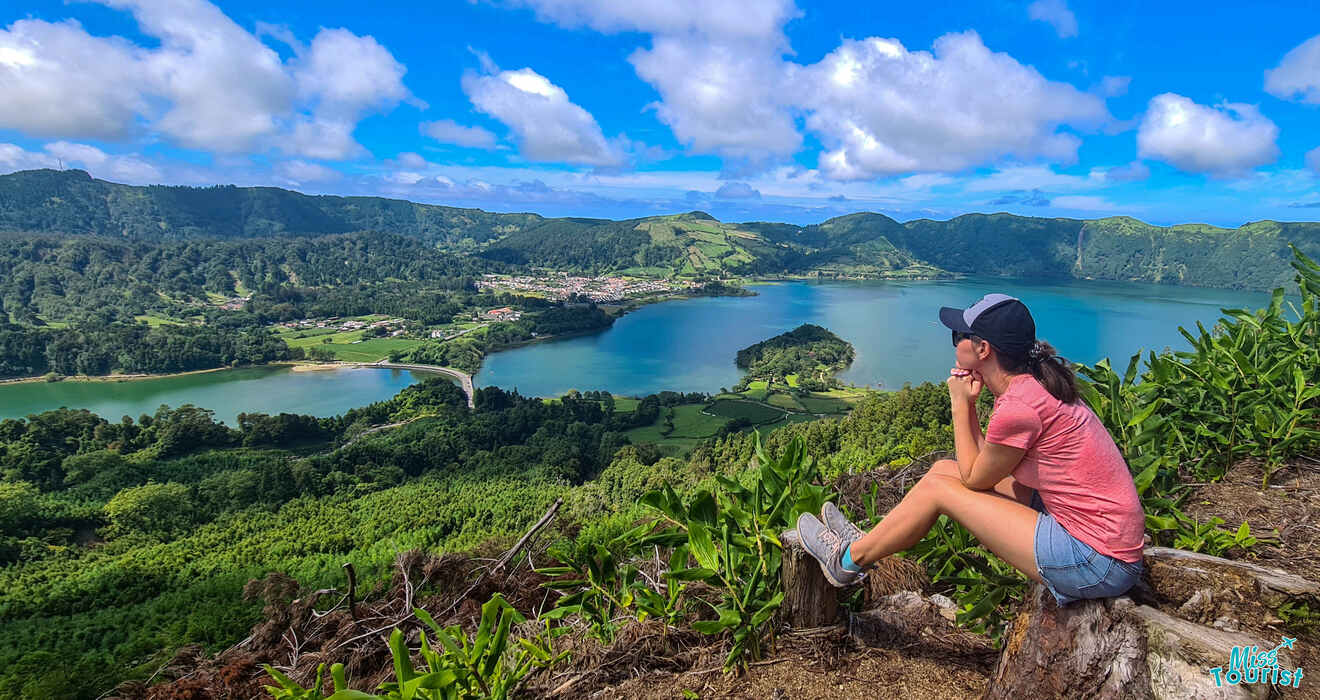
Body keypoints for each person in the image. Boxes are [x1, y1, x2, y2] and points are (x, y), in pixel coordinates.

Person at [798, 293, 1146, 607]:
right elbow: (983, 469)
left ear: (983, 349)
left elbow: (974, 478)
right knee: (940, 471)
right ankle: (869, 540)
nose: (954, 342)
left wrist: (960, 404)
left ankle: (846, 562)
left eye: (958, 336)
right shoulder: (1033, 385)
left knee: (940, 488)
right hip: (1088, 531)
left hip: (1097, 559)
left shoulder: (1020, 406)